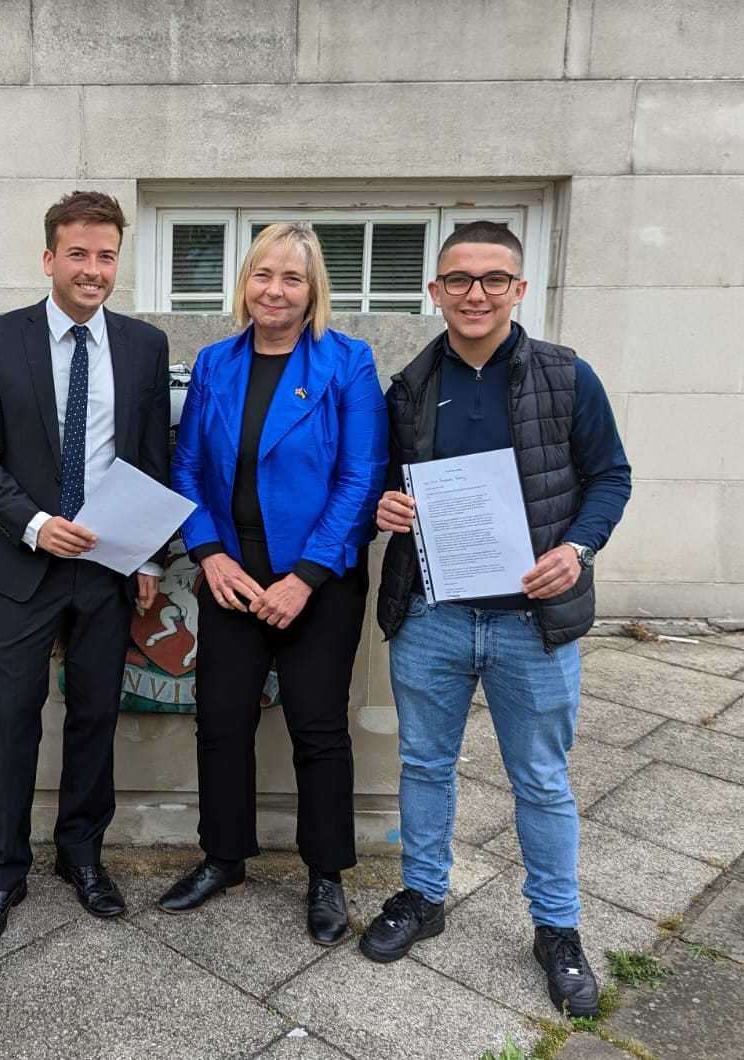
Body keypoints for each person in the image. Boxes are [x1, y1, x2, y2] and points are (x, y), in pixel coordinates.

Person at [360, 222, 632, 1019]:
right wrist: (386, 506)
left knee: (541, 781)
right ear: (435, 292)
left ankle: (557, 929)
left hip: (533, 621)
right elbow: (382, 484)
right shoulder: (408, 386)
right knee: (424, 765)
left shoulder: (565, 376)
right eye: (458, 280)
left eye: (492, 279)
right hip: (433, 615)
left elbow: (610, 476)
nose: (474, 293)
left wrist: (578, 547)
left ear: (519, 288)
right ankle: (423, 895)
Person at [158, 222, 387, 946]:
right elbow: (187, 466)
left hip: (318, 578)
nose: (275, 290)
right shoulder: (216, 362)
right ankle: (224, 857)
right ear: (244, 283)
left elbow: (361, 477)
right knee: (220, 723)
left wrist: (307, 576)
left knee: (317, 729)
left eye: (291, 277)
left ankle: (326, 875)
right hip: (231, 573)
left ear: (313, 289)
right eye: (263, 274)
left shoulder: (347, 363)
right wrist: (210, 554)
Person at [0, 191, 171, 949]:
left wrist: (147, 554)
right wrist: (38, 526)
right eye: (77, 254)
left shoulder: (143, 347)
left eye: (105, 255)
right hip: (24, 565)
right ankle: (0, 877)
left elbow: (150, 458)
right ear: (49, 259)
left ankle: (82, 858)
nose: (92, 269)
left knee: (95, 719)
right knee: (11, 721)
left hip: (108, 570)